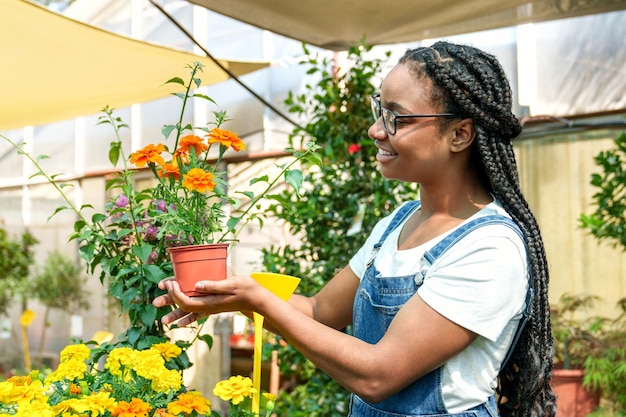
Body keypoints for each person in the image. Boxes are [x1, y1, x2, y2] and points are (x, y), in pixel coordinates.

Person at [153, 41, 557, 417]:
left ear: (460, 134)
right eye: (378, 110)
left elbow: (379, 375)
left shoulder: (489, 247)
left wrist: (258, 301)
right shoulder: (396, 224)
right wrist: (227, 292)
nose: (376, 130)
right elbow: (318, 311)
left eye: (396, 117)